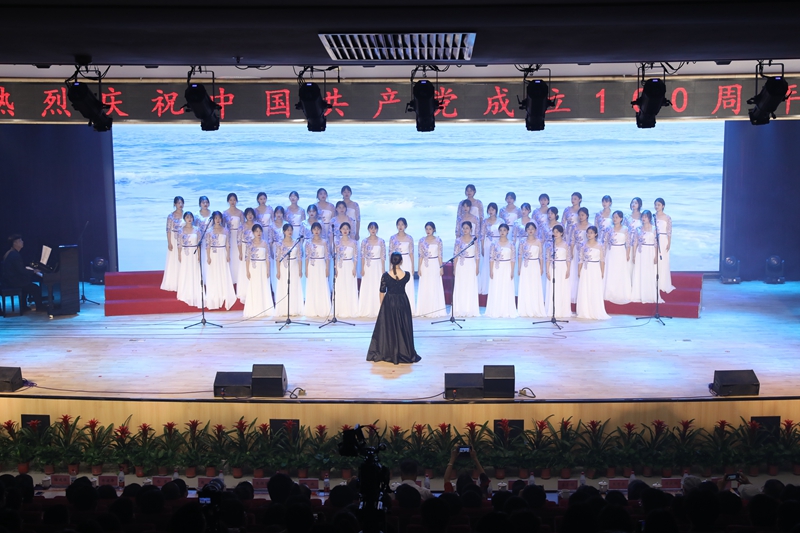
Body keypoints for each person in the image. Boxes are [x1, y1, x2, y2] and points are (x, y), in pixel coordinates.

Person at [366, 252, 421, 365]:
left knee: (389, 327)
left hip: (389, 302)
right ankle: (403, 351)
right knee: (402, 326)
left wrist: (382, 306)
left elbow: (382, 291)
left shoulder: (386, 276)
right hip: (403, 302)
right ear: (401, 261)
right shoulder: (406, 275)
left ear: (391, 261)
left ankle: (389, 351)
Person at [576, 226, 610, 320]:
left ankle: (595, 311)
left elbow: (602, 260)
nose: (589, 234)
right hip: (585, 269)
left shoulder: (600, 245)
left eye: (591, 232)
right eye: (588, 232)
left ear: (596, 234)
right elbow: (580, 259)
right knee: (585, 288)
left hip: (595, 269)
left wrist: (602, 272)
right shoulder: (583, 245)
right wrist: (579, 271)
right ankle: (584, 311)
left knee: (595, 289)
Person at [204, 211, 237, 310]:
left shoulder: (225, 230)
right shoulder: (209, 231)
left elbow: (227, 244)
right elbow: (208, 245)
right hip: (213, 254)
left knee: (223, 272)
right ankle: (215, 295)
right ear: (213, 219)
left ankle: (224, 293)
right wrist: (208, 257)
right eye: (216, 218)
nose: (218, 220)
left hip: (222, 253)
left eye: (219, 218)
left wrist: (228, 255)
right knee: (214, 273)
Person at [2, 234, 43, 312]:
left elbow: (18, 269)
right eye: (20, 241)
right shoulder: (15, 255)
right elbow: (21, 271)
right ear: (15, 243)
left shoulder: (11, 253)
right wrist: (34, 271)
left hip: (10, 280)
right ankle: (40, 307)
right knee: (35, 288)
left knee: (28, 283)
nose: (22, 242)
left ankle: (24, 306)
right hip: (14, 281)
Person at [485, 223, 518, 318]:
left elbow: (513, 259)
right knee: (496, 287)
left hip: (507, 267)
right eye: (500, 230)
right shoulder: (494, 243)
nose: (502, 232)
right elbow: (491, 258)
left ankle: (506, 310)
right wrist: (491, 270)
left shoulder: (511, 244)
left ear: (508, 231)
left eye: (504, 230)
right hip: (497, 268)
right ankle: (496, 310)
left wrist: (512, 271)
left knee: (506, 287)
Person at [631, 210, 662, 304]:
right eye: (643, 217)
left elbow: (656, 244)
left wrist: (656, 256)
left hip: (650, 252)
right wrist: (634, 255)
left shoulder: (654, 229)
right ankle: (639, 294)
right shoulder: (638, 229)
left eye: (645, 217)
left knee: (650, 273)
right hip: (641, 252)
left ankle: (649, 294)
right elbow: (635, 243)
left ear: (649, 218)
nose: (643, 218)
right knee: (640, 272)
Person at [416, 222, 446, 318]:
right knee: (425, 285)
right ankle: (425, 309)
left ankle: (435, 309)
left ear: (434, 229)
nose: (428, 231)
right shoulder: (421, 241)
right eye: (426, 229)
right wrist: (419, 268)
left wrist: (441, 267)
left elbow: (440, 255)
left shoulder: (438, 240)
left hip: (435, 265)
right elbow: (420, 256)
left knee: (434, 285)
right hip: (425, 265)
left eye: (430, 229)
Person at [243, 224, 273, 318]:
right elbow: (247, 258)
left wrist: (268, 270)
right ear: (253, 232)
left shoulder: (265, 243)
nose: (258, 233)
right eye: (256, 231)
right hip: (254, 267)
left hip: (263, 267)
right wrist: (247, 271)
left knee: (263, 286)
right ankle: (254, 309)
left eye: (260, 231)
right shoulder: (249, 243)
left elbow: (268, 258)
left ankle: (265, 309)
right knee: (254, 287)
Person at [517, 222, 546, 318]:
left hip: (535, 265)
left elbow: (541, 256)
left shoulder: (538, 241)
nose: (530, 230)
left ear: (535, 230)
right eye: (528, 229)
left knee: (534, 286)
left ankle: (535, 308)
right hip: (525, 266)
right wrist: (519, 268)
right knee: (526, 285)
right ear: (526, 230)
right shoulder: (522, 241)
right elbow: (519, 255)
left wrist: (541, 268)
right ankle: (525, 309)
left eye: (532, 229)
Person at [275, 224, 305, 317]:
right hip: (284, 267)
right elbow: (277, 258)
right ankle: (284, 309)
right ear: (284, 231)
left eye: (291, 230)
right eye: (287, 230)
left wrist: (300, 270)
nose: (289, 232)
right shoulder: (279, 243)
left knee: (294, 286)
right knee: (284, 287)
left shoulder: (296, 242)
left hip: (294, 266)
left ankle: (294, 309)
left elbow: (299, 257)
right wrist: (278, 271)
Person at [603, 210, 632, 304]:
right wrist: (603, 254)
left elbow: (628, 243)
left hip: (621, 252)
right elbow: (605, 242)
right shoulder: (609, 228)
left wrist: (627, 254)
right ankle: (609, 292)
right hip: (611, 252)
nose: (614, 219)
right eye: (613, 217)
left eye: (616, 217)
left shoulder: (625, 229)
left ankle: (620, 293)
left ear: (621, 218)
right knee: (611, 271)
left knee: (620, 271)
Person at [358, 221, 386, 318]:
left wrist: (383, 268)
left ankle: (379, 308)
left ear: (377, 229)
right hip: (368, 266)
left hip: (377, 265)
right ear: (368, 229)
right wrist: (362, 268)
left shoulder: (381, 241)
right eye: (371, 228)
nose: (373, 230)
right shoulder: (364, 241)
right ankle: (367, 308)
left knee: (378, 285)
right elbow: (362, 256)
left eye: (375, 228)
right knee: (368, 285)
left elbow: (383, 256)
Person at [452, 221, 480, 317]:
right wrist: (454, 268)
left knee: (470, 285)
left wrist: (477, 267)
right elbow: (455, 255)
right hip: (461, 265)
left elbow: (477, 255)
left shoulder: (475, 240)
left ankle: (469, 309)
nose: (465, 230)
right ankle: (459, 308)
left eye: (467, 228)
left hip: (471, 264)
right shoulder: (458, 240)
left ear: (471, 229)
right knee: (461, 285)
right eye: (463, 228)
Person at [389, 217, 416, 315]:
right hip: (396, 262)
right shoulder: (392, 238)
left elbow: (411, 253)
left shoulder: (409, 238)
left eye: (402, 224)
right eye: (399, 224)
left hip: (407, 262)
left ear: (406, 226)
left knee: (407, 283)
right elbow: (390, 254)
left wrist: (412, 267)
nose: (400, 226)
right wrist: (390, 266)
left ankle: (408, 307)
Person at [304, 222, 330, 318]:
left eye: (318, 229)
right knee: (312, 286)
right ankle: (312, 309)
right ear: (311, 230)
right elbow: (307, 257)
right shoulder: (308, 242)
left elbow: (327, 257)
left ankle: (323, 309)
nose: (316, 231)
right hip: (312, 266)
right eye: (314, 229)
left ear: (321, 230)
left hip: (321, 265)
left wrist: (327, 268)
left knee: (321, 285)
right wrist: (306, 269)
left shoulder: (325, 242)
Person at [176, 212, 202, 308]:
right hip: (185, 253)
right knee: (185, 270)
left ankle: (194, 292)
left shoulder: (197, 230)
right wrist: (179, 254)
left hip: (194, 253)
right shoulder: (181, 230)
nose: (189, 219)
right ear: (184, 219)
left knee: (194, 271)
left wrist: (199, 255)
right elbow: (179, 244)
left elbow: (199, 244)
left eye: (191, 217)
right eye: (187, 217)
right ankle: (185, 292)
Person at [333, 222, 359, 318]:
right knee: (340, 286)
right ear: (340, 230)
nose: (345, 230)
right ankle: (340, 309)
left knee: (349, 286)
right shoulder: (337, 242)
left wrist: (354, 268)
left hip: (350, 265)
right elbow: (335, 256)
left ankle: (351, 309)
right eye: (343, 228)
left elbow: (355, 257)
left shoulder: (354, 242)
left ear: (349, 230)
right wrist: (335, 268)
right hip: (340, 266)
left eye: (347, 228)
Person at [545, 225, 571, 318]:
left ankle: (562, 310)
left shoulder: (566, 244)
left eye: (557, 232)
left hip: (562, 267)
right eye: (554, 232)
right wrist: (547, 271)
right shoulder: (550, 244)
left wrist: (568, 270)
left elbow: (568, 258)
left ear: (561, 233)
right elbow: (547, 258)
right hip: (553, 267)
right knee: (553, 287)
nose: (555, 234)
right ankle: (552, 310)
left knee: (562, 287)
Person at [160, 196, 184, 292]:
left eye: (182, 203)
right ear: (175, 204)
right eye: (178, 203)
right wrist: (169, 242)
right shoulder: (171, 216)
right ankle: (173, 282)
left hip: (183, 239)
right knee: (174, 259)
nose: (180, 205)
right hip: (174, 239)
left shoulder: (186, 215)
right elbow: (168, 230)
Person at [567, 207, 590, 304]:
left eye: (583, 215)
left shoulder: (590, 226)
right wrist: (571, 252)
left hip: (586, 253)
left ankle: (584, 295)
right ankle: (573, 295)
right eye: (579, 215)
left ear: (587, 216)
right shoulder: (575, 226)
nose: (581, 217)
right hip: (576, 251)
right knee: (575, 272)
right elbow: (572, 240)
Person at [653, 197, 676, 293]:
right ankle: (654, 283)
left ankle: (663, 283)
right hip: (654, 240)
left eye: (658, 205)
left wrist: (669, 242)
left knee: (663, 261)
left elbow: (669, 231)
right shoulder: (652, 216)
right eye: (655, 205)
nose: (656, 206)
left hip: (663, 240)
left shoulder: (667, 217)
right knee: (654, 260)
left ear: (663, 206)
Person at [479, 202, 501, 294]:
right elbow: (482, 235)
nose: (491, 211)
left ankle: (496, 287)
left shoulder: (501, 221)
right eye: (489, 209)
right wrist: (482, 247)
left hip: (497, 244)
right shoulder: (485, 221)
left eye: (493, 209)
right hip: (487, 244)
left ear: (496, 210)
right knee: (486, 264)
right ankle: (486, 287)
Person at [223, 193, 244, 284]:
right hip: (229, 236)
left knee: (238, 256)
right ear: (228, 201)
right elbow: (223, 227)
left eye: (234, 200)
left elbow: (243, 226)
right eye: (230, 200)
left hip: (238, 236)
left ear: (236, 201)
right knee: (230, 256)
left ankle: (239, 279)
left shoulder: (240, 212)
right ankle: (231, 280)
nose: (232, 202)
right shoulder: (224, 213)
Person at [236, 207, 256, 303]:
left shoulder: (257, 225)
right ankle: (245, 291)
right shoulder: (241, 226)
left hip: (254, 249)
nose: (250, 215)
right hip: (244, 248)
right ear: (245, 215)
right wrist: (240, 252)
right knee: (244, 269)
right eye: (248, 214)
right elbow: (238, 240)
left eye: (251, 214)